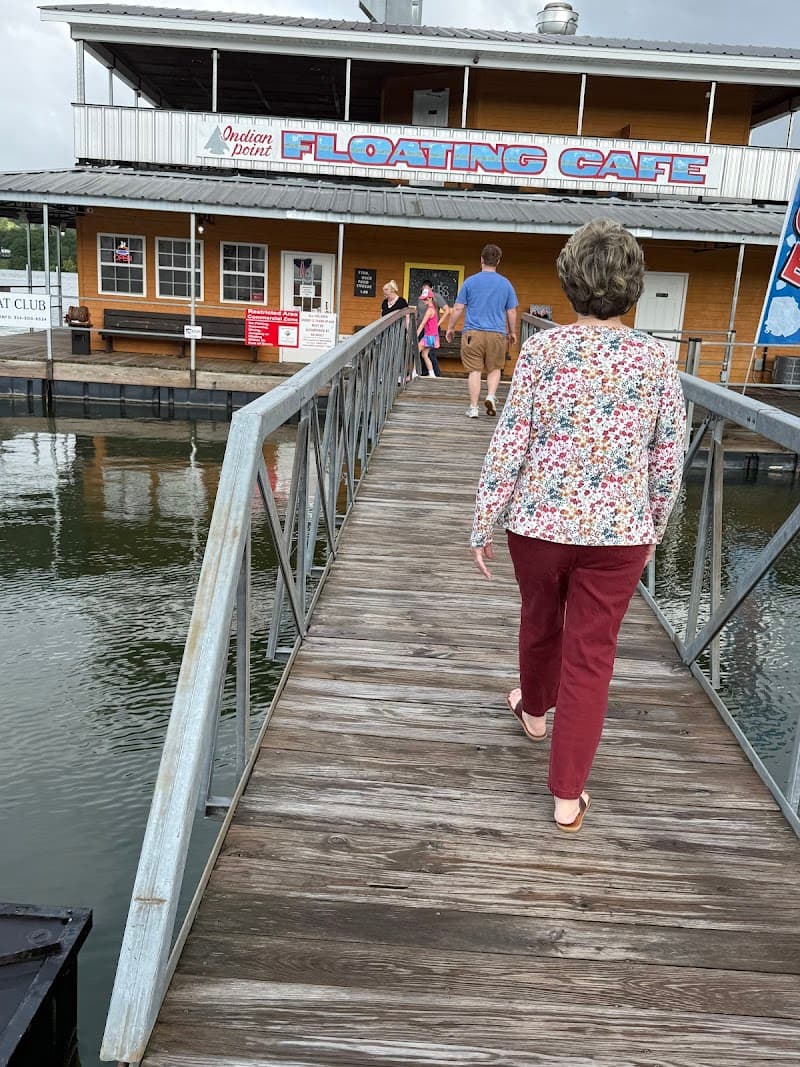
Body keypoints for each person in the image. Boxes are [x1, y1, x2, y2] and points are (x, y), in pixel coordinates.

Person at [469, 220, 685, 833]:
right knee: (591, 656)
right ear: (633, 288)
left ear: (569, 284)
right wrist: (654, 529)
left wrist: (484, 520)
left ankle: (534, 713)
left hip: (539, 523)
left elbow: (511, 442)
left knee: (540, 617)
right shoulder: (655, 361)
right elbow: (666, 457)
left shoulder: (542, 351)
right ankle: (568, 798)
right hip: (619, 532)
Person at [445, 244, 518, 418]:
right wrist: (512, 332)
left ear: (481, 260)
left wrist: (450, 327)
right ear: (498, 262)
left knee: (474, 370)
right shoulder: (505, 284)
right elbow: (512, 311)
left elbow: (457, 308)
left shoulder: (470, 281)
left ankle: (473, 407)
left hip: (473, 333)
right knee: (494, 369)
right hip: (497, 334)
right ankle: (491, 396)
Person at [415, 280, 450, 376]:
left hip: (431, 329)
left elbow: (447, 310)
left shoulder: (436, 297)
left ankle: (435, 373)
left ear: (431, 289)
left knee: (429, 353)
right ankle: (423, 372)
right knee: (422, 353)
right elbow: (417, 312)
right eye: (423, 289)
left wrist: (438, 323)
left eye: (426, 289)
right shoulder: (421, 299)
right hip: (422, 328)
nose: (424, 299)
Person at [416, 291, 440, 377]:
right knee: (424, 354)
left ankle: (415, 373)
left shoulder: (430, 310)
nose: (423, 301)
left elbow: (422, 323)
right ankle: (432, 374)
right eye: (423, 299)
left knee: (416, 352)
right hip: (433, 336)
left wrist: (417, 334)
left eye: (425, 299)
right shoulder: (433, 308)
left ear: (430, 298)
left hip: (429, 336)